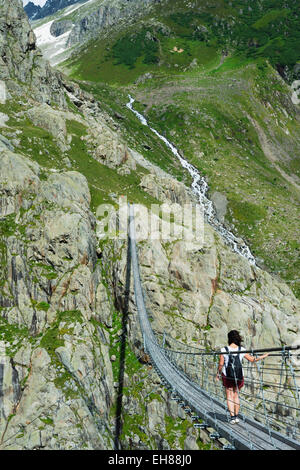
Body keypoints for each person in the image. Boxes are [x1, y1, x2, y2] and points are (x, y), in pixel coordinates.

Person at [215, 330, 269, 425]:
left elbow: (221, 364)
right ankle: (236, 416)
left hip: (227, 376)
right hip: (239, 376)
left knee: (229, 396)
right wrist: (263, 356)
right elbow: (253, 360)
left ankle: (232, 417)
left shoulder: (224, 350)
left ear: (229, 338)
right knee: (236, 395)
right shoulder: (242, 349)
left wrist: (218, 374)